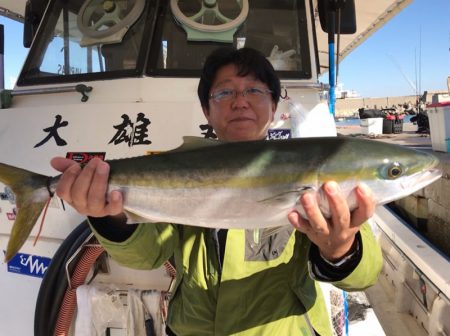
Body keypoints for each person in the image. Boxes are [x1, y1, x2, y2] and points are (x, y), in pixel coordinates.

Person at [51, 47, 382, 336]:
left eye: (254, 90)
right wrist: (110, 218)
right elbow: (148, 255)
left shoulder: (311, 164)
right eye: (224, 94)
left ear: (273, 104)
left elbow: (363, 275)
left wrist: (341, 249)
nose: (240, 102)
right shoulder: (180, 166)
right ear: (207, 110)